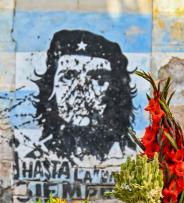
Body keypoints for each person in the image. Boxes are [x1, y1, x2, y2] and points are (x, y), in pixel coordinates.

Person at [32, 29, 136, 161]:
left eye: (99, 79)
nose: (82, 91)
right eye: (69, 76)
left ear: (116, 92)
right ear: (51, 87)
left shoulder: (131, 160)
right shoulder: (34, 158)